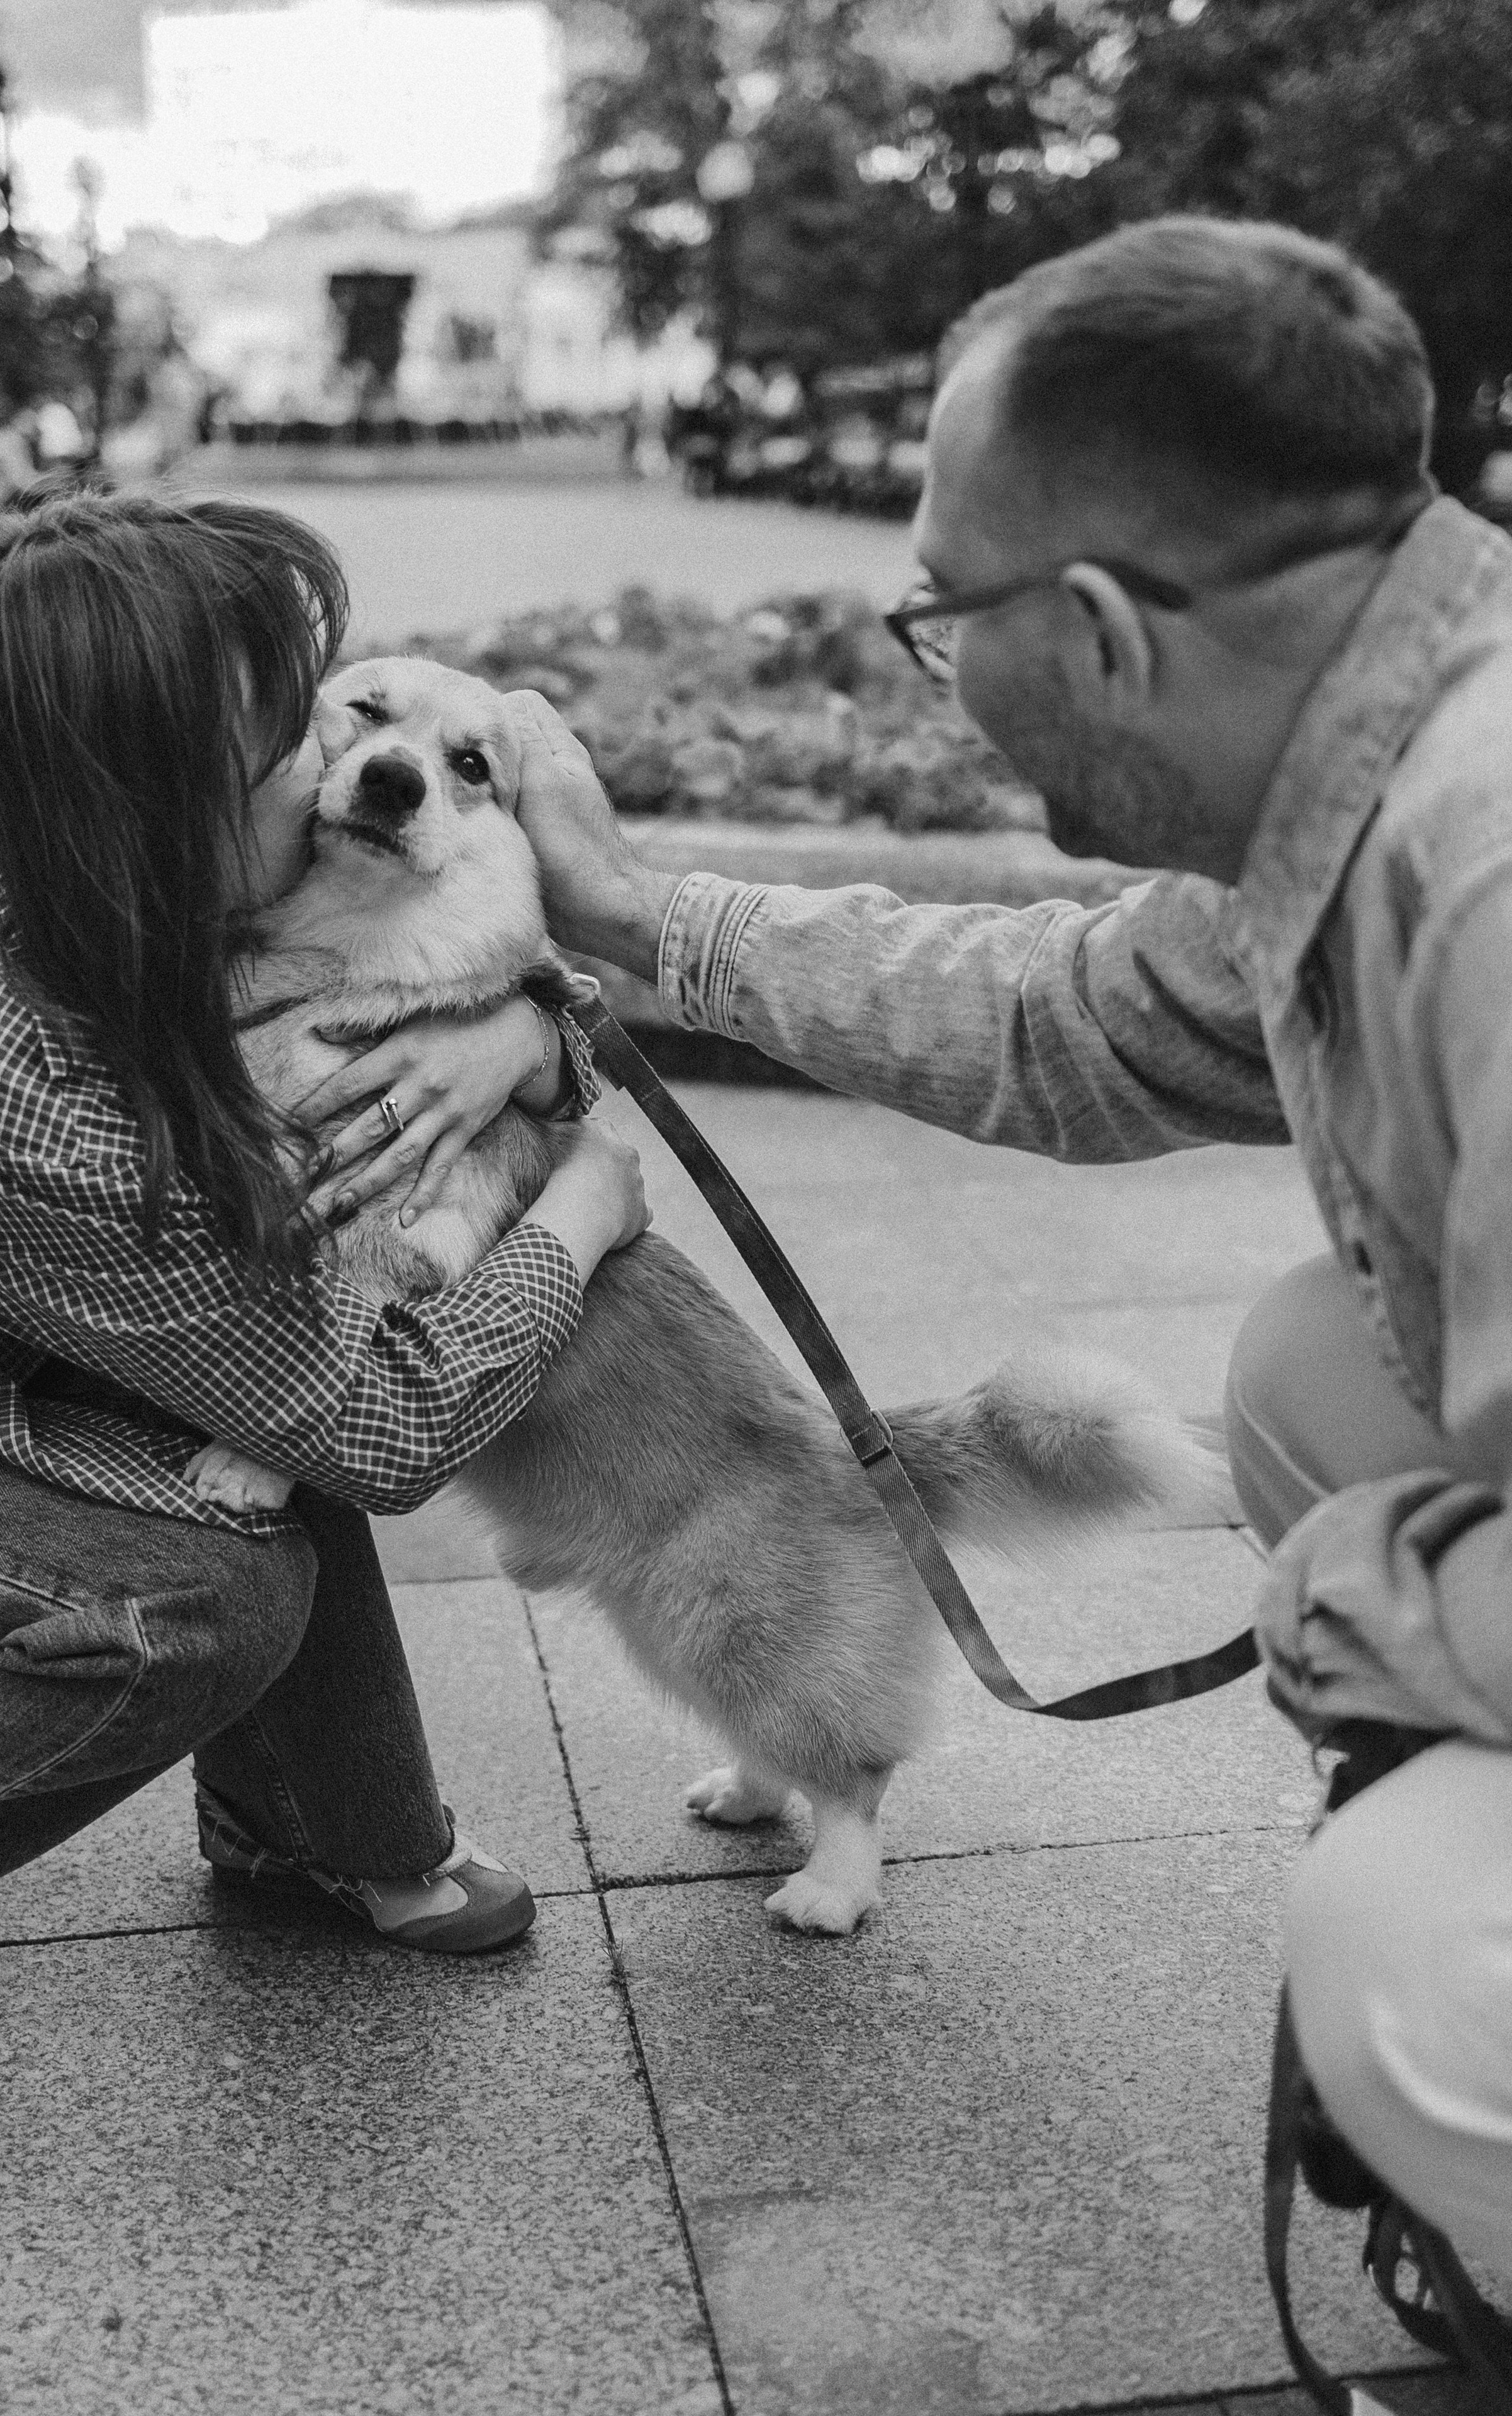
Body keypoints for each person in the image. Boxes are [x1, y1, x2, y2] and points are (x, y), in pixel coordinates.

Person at [505, 216, 1512, 2272]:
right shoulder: (1379, 754)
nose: (937, 668)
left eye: (936, 610)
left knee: (1403, 1959)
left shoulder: (1486, 881)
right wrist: (646, 921)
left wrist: (1360, 1620)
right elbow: (1062, 1016)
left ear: (1106, 634)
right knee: (1320, 1369)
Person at [0, 490, 648, 1999]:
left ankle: (319, 1827)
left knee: (249, 1352)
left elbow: (440, 969)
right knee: (212, 1589)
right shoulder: (10, 1098)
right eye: (296, 748)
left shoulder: (58, 822)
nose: (344, 769)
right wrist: (584, 1205)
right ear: (163, 802)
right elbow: (371, 1421)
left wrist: (517, 1037)